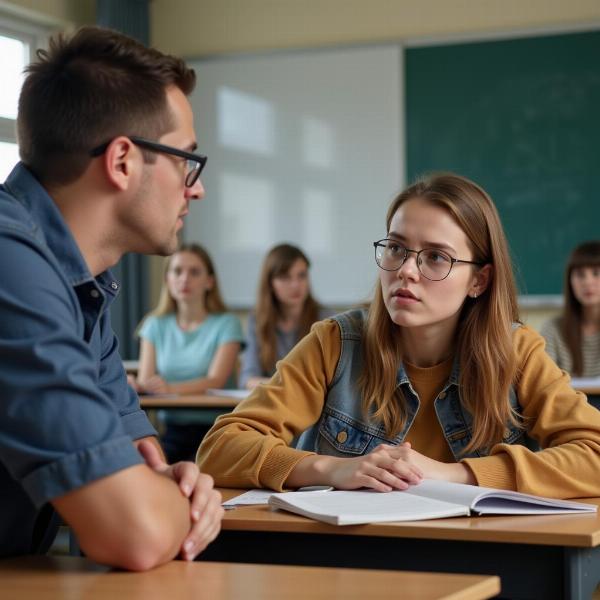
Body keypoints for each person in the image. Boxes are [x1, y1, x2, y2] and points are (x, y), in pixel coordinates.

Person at [198, 173, 600, 499]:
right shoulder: (335, 343)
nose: (406, 270)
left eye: (436, 257)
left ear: (478, 280)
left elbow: (594, 455)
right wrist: (333, 468)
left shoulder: (516, 351)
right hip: (355, 560)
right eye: (396, 248)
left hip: (481, 558)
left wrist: (453, 475)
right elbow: (219, 449)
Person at [0, 27, 223, 570]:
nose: (196, 188)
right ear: (123, 160)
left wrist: (162, 490)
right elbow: (136, 532)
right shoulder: (10, 263)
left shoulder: (84, 290)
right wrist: (167, 502)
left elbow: (144, 475)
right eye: (185, 161)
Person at [136, 243, 244, 462]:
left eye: (194, 272)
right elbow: (146, 380)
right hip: (172, 430)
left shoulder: (227, 323)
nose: (184, 279)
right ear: (167, 279)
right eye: (177, 271)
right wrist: (142, 385)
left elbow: (216, 380)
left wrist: (169, 389)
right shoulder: (154, 324)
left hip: (217, 430)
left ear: (209, 282)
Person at [239, 243, 327, 389]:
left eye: (302, 275)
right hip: (275, 405)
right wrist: (288, 386)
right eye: (285, 277)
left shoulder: (327, 320)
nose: (295, 285)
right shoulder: (258, 320)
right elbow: (247, 379)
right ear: (270, 283)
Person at [541, 241, 600, 378]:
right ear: (570, 281)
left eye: (596, 273)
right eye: (580, 275)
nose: (587, 282)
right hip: (566, 399)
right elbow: (544, 381)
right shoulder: (553, 329)